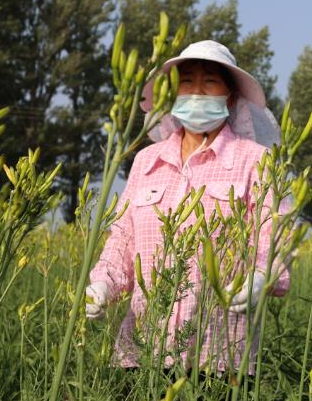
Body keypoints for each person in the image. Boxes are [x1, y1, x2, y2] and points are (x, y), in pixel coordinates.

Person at [85, 40, 289, 374]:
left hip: (220, 353)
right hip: (143, 348)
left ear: (232, 96)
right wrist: (102, 283)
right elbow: (123, 236)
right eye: (186, 81)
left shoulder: (257, 161)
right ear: (172, 94)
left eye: (210, 81)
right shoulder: (147, 161)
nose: (196, 91)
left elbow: (274, 234)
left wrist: (261, 276)